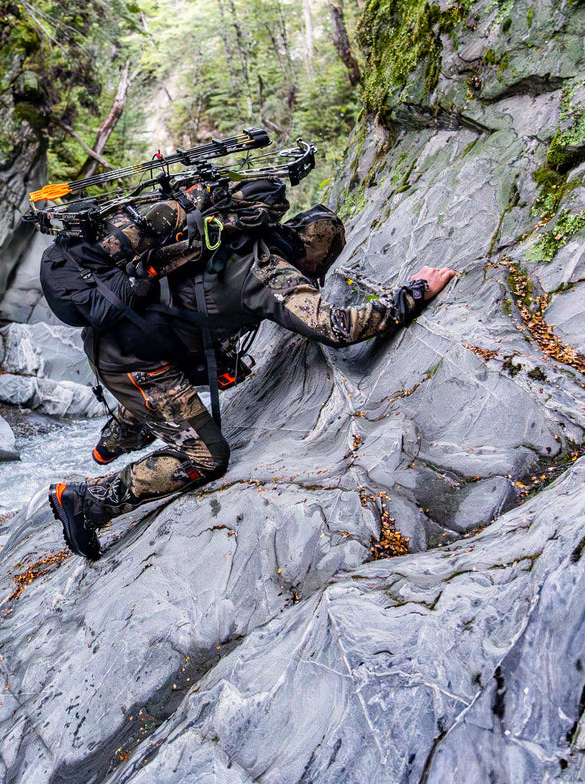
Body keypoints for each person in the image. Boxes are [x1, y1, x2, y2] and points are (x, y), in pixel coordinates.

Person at [44, 192, 456, 560]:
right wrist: (414, 293)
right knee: (207, 457)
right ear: (315, 255)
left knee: (189, 385)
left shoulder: (236, 232)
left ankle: (113, 441)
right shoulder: (270, 273)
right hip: (135, 360)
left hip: (135, 341)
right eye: (320, 267)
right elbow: (338, 328)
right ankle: (87, 502)